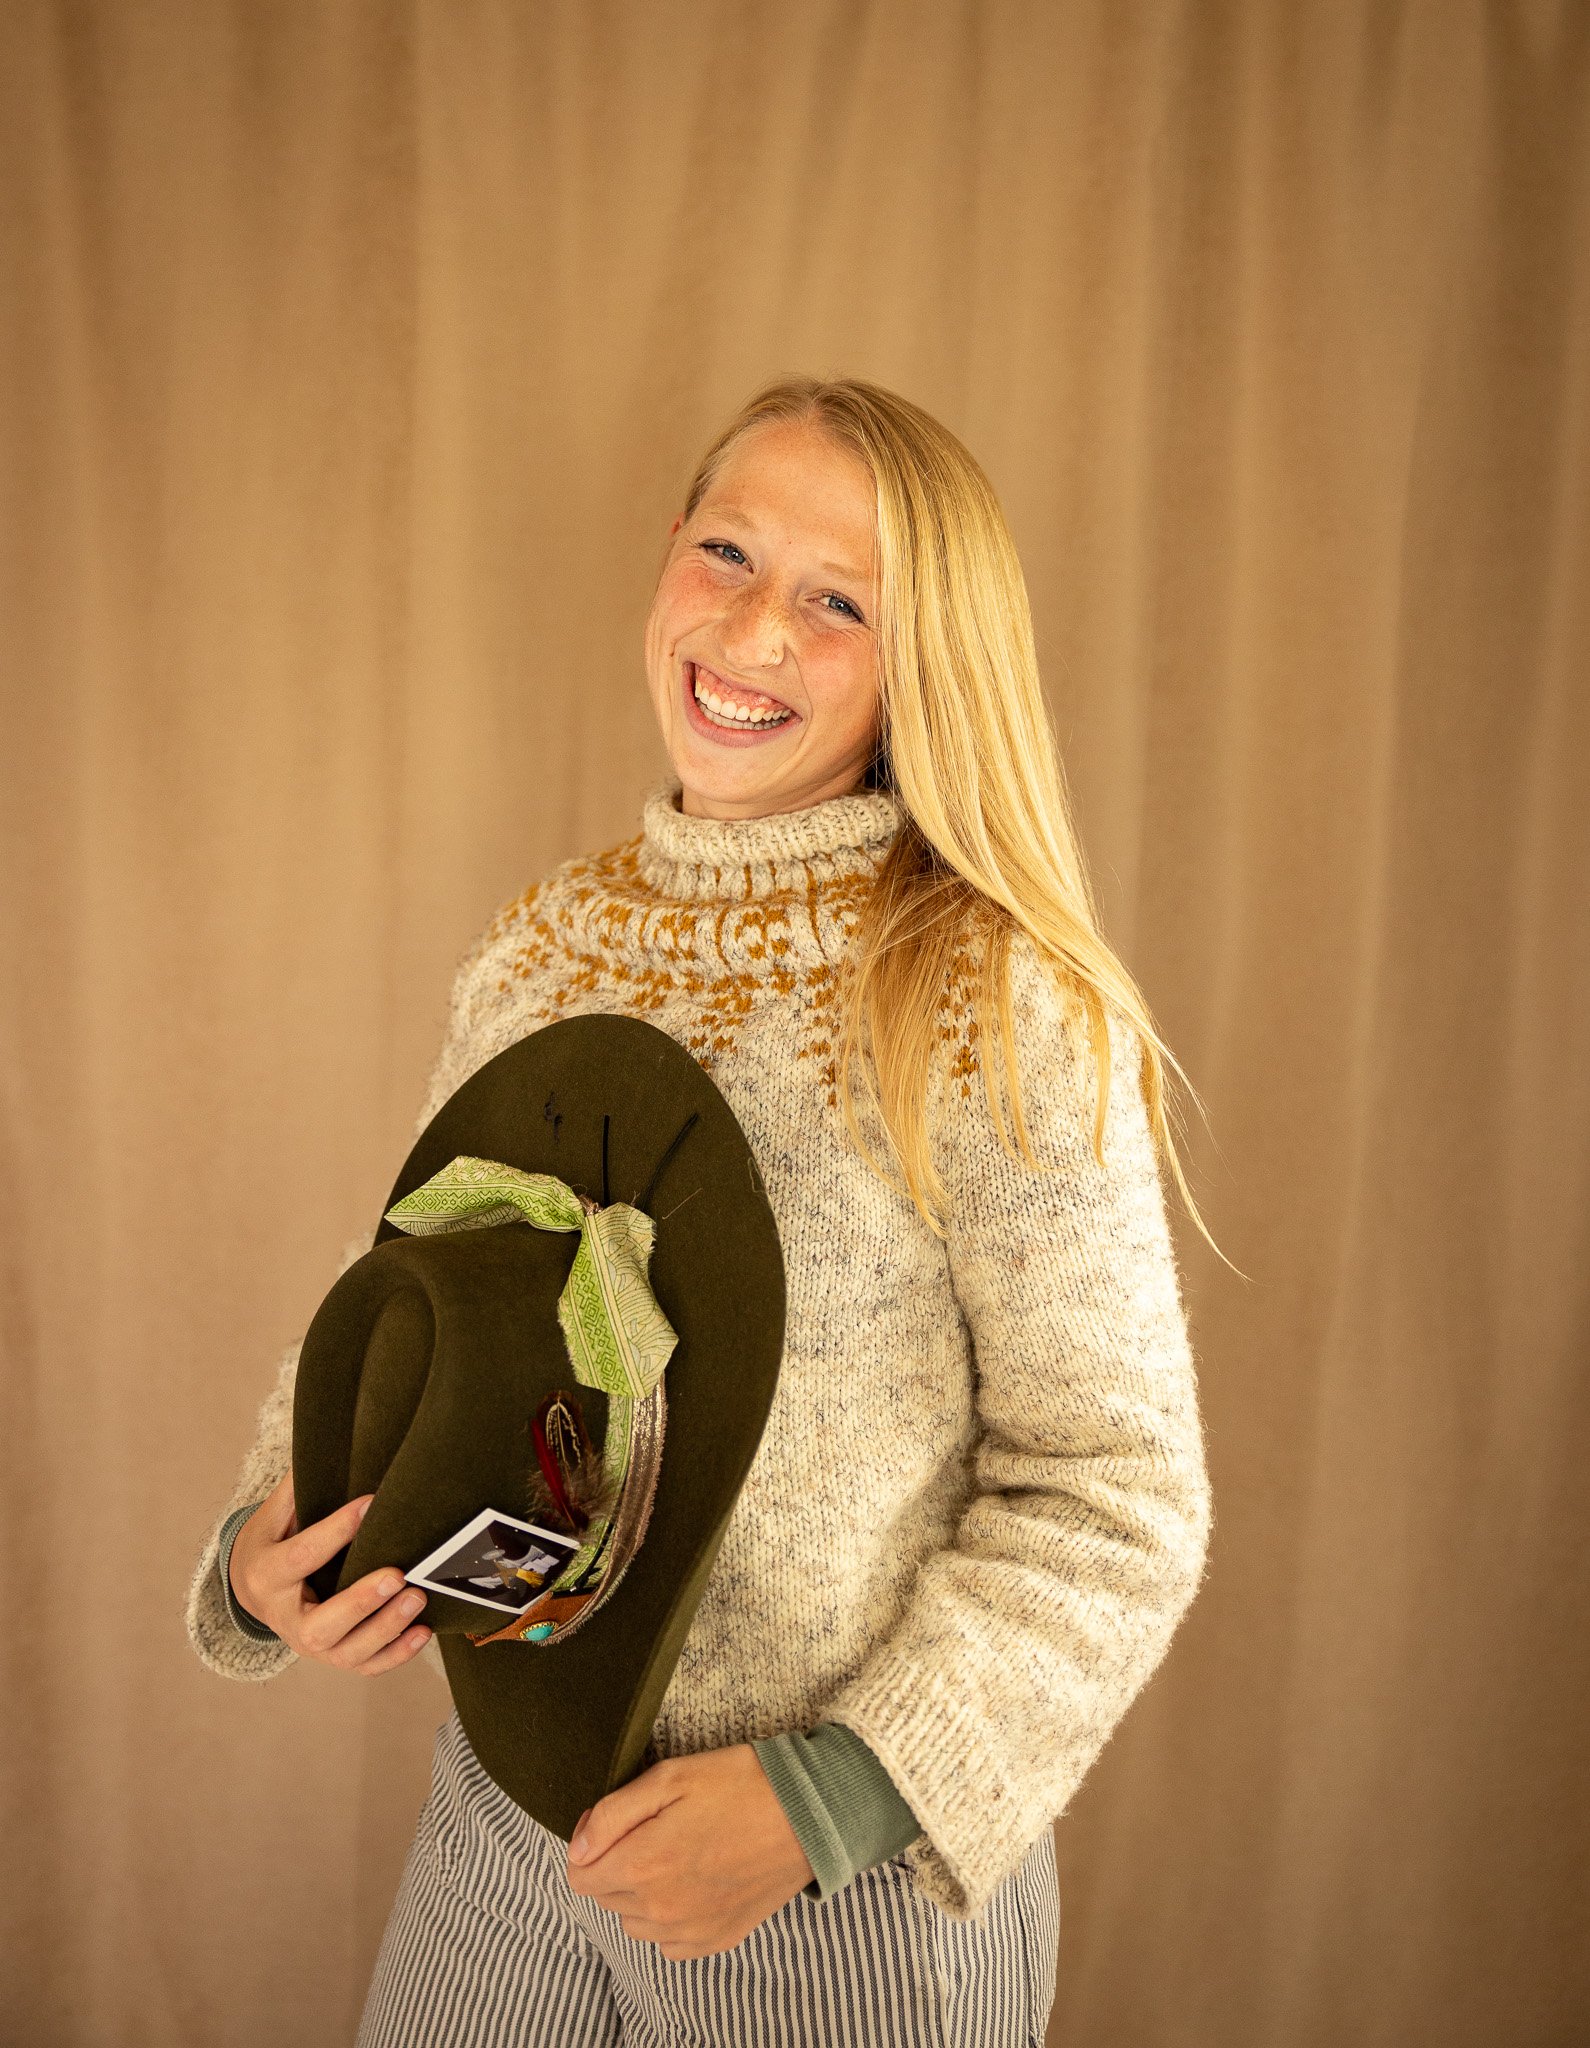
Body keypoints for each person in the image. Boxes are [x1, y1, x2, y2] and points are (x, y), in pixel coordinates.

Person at [185, 374, 1217, 2046]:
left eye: (838, 602)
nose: (751, 632)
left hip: (836, 1893)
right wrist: (267, 1541)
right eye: (728, 552)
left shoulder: (988, 994)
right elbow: (421, 1298)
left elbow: (1112, 1494)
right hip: (507, 1821)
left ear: (921, 660)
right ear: (668, 549)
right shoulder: (543, 946)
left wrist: (832, 1798)